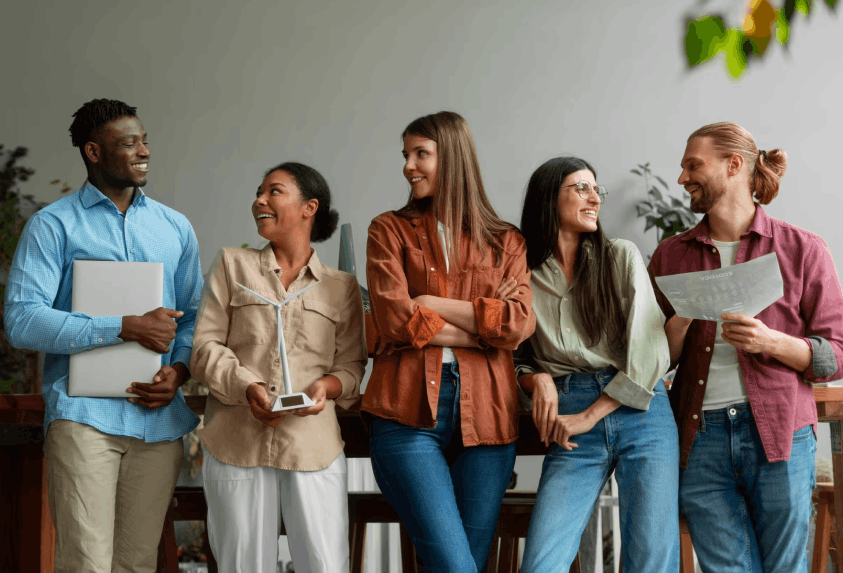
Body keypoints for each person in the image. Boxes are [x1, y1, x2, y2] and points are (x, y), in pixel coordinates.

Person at [3, 98, 203, 572]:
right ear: (93, 151)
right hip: (83, 420)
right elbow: (22, 319)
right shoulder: (52, 225)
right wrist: (123, 326)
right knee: (86, 564)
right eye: (128, 142)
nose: (143, 151)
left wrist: (178, 370)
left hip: (158, 424)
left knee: (136, 565)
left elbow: (196, 317)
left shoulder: (175, 228)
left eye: (145, 140)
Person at [649, 122, 843, 572]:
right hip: (700, 441)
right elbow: (652, 359)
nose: (682, 178)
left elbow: (835, 354)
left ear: (734, 165)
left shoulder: (803, 250)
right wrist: (677, 327)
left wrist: (771, 341)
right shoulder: (670, 257)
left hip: (780, 434)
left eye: (692, 165)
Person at [363, 110, 535, 572]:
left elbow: (519, 324)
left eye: (421, 154)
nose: (408, 166)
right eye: (406, 155)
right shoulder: (388, 230)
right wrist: (483, 334)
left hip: (490, 422)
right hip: (406, 415)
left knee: (466, 565)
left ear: (453, 158)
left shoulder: (506, 242)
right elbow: (395, 319)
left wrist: (428, 302)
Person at [191, 161, 366, 573]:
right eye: (258, 192)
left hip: (314, 447)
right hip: (236, 444)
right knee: (240, 566)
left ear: (309, 207)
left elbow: (352, 367)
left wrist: (327, 386)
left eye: (274, 191)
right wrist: (247, 385)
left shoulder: (341, 287)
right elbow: (204, 347)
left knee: (325, 565)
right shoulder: (232, 265)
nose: (259, 200)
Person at [515, 157, 679, 572]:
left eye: (596, 190)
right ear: (549, 199)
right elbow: (513, 354)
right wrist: (536, 381)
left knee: (649, 561)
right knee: (542, 562)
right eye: (581, 188)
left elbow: (651, 353)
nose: (594, 198)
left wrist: (591, 415)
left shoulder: (619, 257)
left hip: (641, 411)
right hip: (568, 418)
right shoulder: (523, 274)